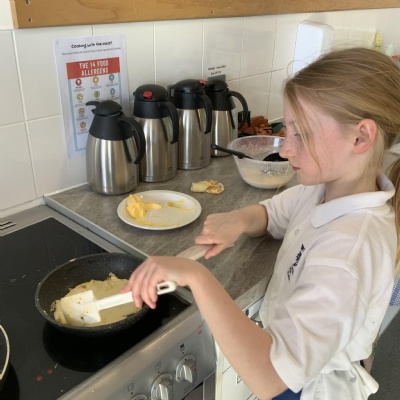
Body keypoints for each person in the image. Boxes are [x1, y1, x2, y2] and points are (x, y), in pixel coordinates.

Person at [122, 47, 400, 400]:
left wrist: (196, 276)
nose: (285, 150)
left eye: (302, 134)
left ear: (361, 137)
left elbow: (271, 378)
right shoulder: (325, 189)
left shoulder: (348, 252)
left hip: (307, 388)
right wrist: (239, 220)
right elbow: (274, 213)